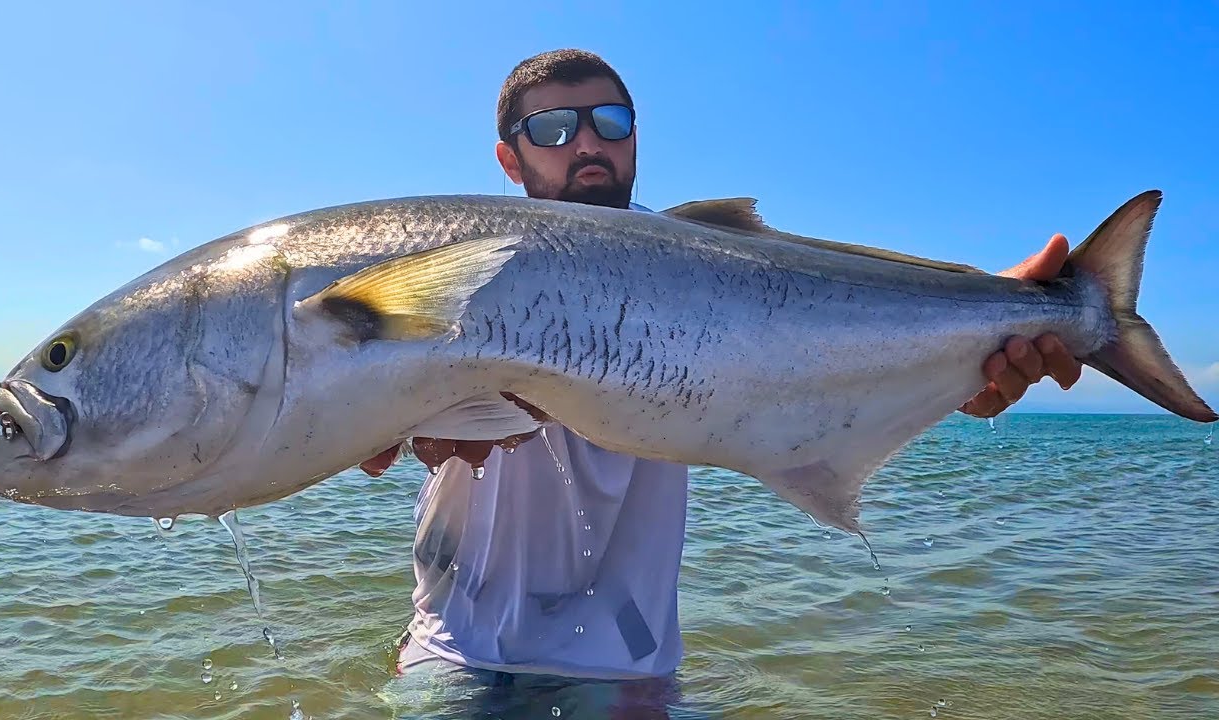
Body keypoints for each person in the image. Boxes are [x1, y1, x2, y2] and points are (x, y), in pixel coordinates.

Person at [366, 48, 1083, 714]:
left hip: (622, 663)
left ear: (635, 138)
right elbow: (369, 415)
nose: (587, 144)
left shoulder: (711, 267)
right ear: (509, 158)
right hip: (452, 645)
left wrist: (980, 345)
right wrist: (405, 429)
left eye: (610, 123)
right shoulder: (453, 265)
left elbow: (838, 343)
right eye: (552, 128)